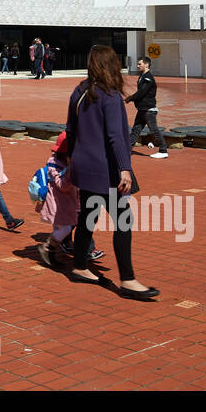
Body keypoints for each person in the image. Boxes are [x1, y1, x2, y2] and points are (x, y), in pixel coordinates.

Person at [65, 45, 159, 300]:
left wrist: (72, 159)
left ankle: (80, 267)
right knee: (123, 221)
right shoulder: (111, 96)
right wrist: (125, 168)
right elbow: (117, 137)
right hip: (105, 168)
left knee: (88, 216)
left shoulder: (80, 91)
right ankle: (127, 281)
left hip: (83, 165)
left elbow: (70, 130)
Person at [35, 132, 103, 266]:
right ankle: (47, 247)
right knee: (66, 228)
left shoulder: (67, 162)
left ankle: (52, 254)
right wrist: (71, 168)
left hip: (68, 202)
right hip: (57, 202)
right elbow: (63, 185)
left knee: (65, 227)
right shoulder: (54, 165)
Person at [126, 56, 170, 158]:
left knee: (154, 130)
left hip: (149, 110)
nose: (137, 66)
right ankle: (127, 150)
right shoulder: (142, 76)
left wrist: (130, 98)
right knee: (136, 130)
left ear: (146, 65)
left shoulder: (148, 78)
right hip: (142, 109)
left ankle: (163, 150)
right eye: (137, 64)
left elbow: (141, 92)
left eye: (139, 64)